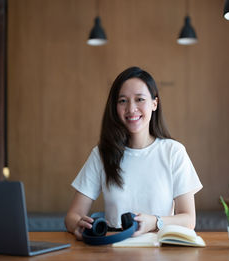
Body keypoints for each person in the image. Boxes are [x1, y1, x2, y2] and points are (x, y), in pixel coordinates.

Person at [65, 66, 202, 240]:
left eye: (139, 99)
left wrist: (154, 222)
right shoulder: (102, 154)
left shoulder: (174, 152)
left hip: (161, 251)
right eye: (123, 101)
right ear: (115, 107)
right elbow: (72, 216)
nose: (131, 109)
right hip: (114, 252)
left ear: (154, 103)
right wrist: (78, 224)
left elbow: (189, 220)